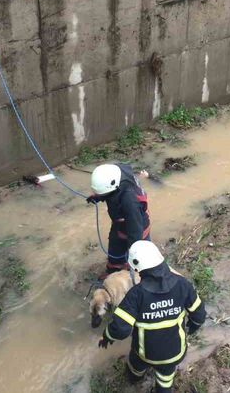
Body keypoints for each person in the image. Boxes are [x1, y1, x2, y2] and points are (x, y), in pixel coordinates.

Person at [98, 240, 206, 393]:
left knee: (135, 366)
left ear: (136, 267)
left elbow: (121, 329)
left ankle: (135, 379)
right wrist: (193, 326)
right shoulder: (183, 285)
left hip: (144, 354)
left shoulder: (136, 294)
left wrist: (107, 336)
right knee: (165, 380)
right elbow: (199, 314)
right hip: (174, 353)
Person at [87, 163, 151, 273]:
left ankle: (139, 275)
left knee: (140, 260)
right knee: (115, 252)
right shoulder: (115, 172)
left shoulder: (130, 201)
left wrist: (134, 253)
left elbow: (135, 232)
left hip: (137, 226)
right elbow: (109, 192)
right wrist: (98, 196)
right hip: (120, 224)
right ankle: (113, 271)